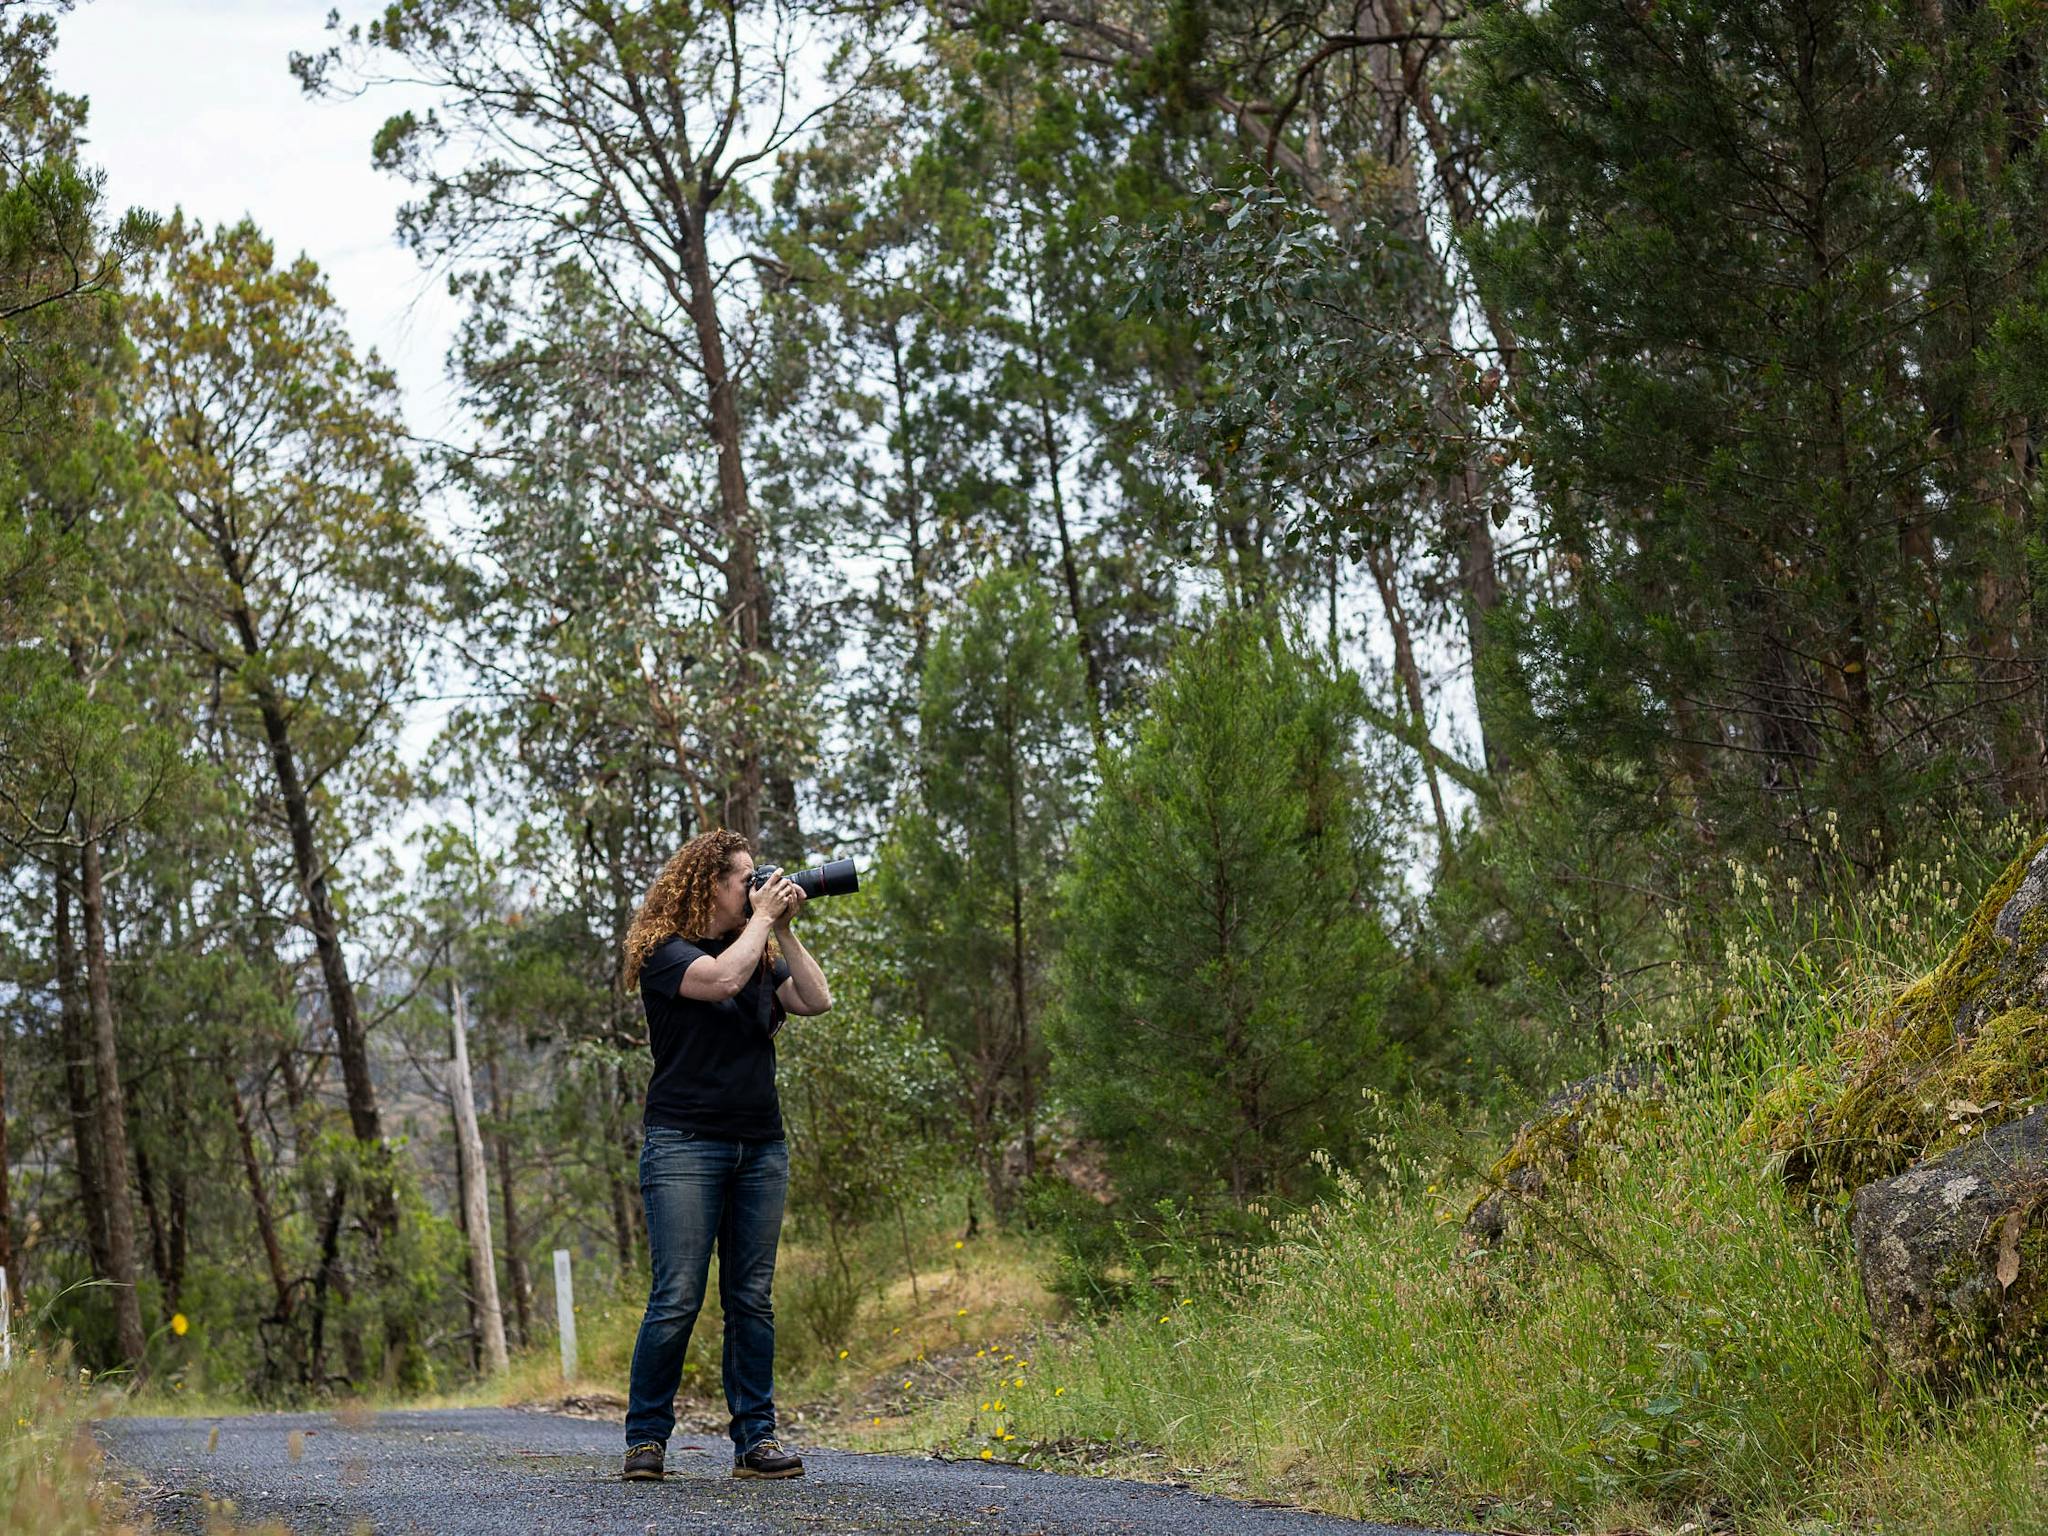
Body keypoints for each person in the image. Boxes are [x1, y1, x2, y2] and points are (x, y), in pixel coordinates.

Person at [616, 827, 833, 1483]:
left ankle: (755, 1441)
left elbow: (816, 1000)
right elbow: (717, 981)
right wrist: (761, 923)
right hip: (685, 1143)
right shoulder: (665, 951)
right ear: (709, 884)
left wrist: (784, 929)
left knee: (751, 1299)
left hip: (760, 1144)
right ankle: (646, 1439)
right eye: (745, 878)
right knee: (678, 1295)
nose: (755, 886)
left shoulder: (762, 952)